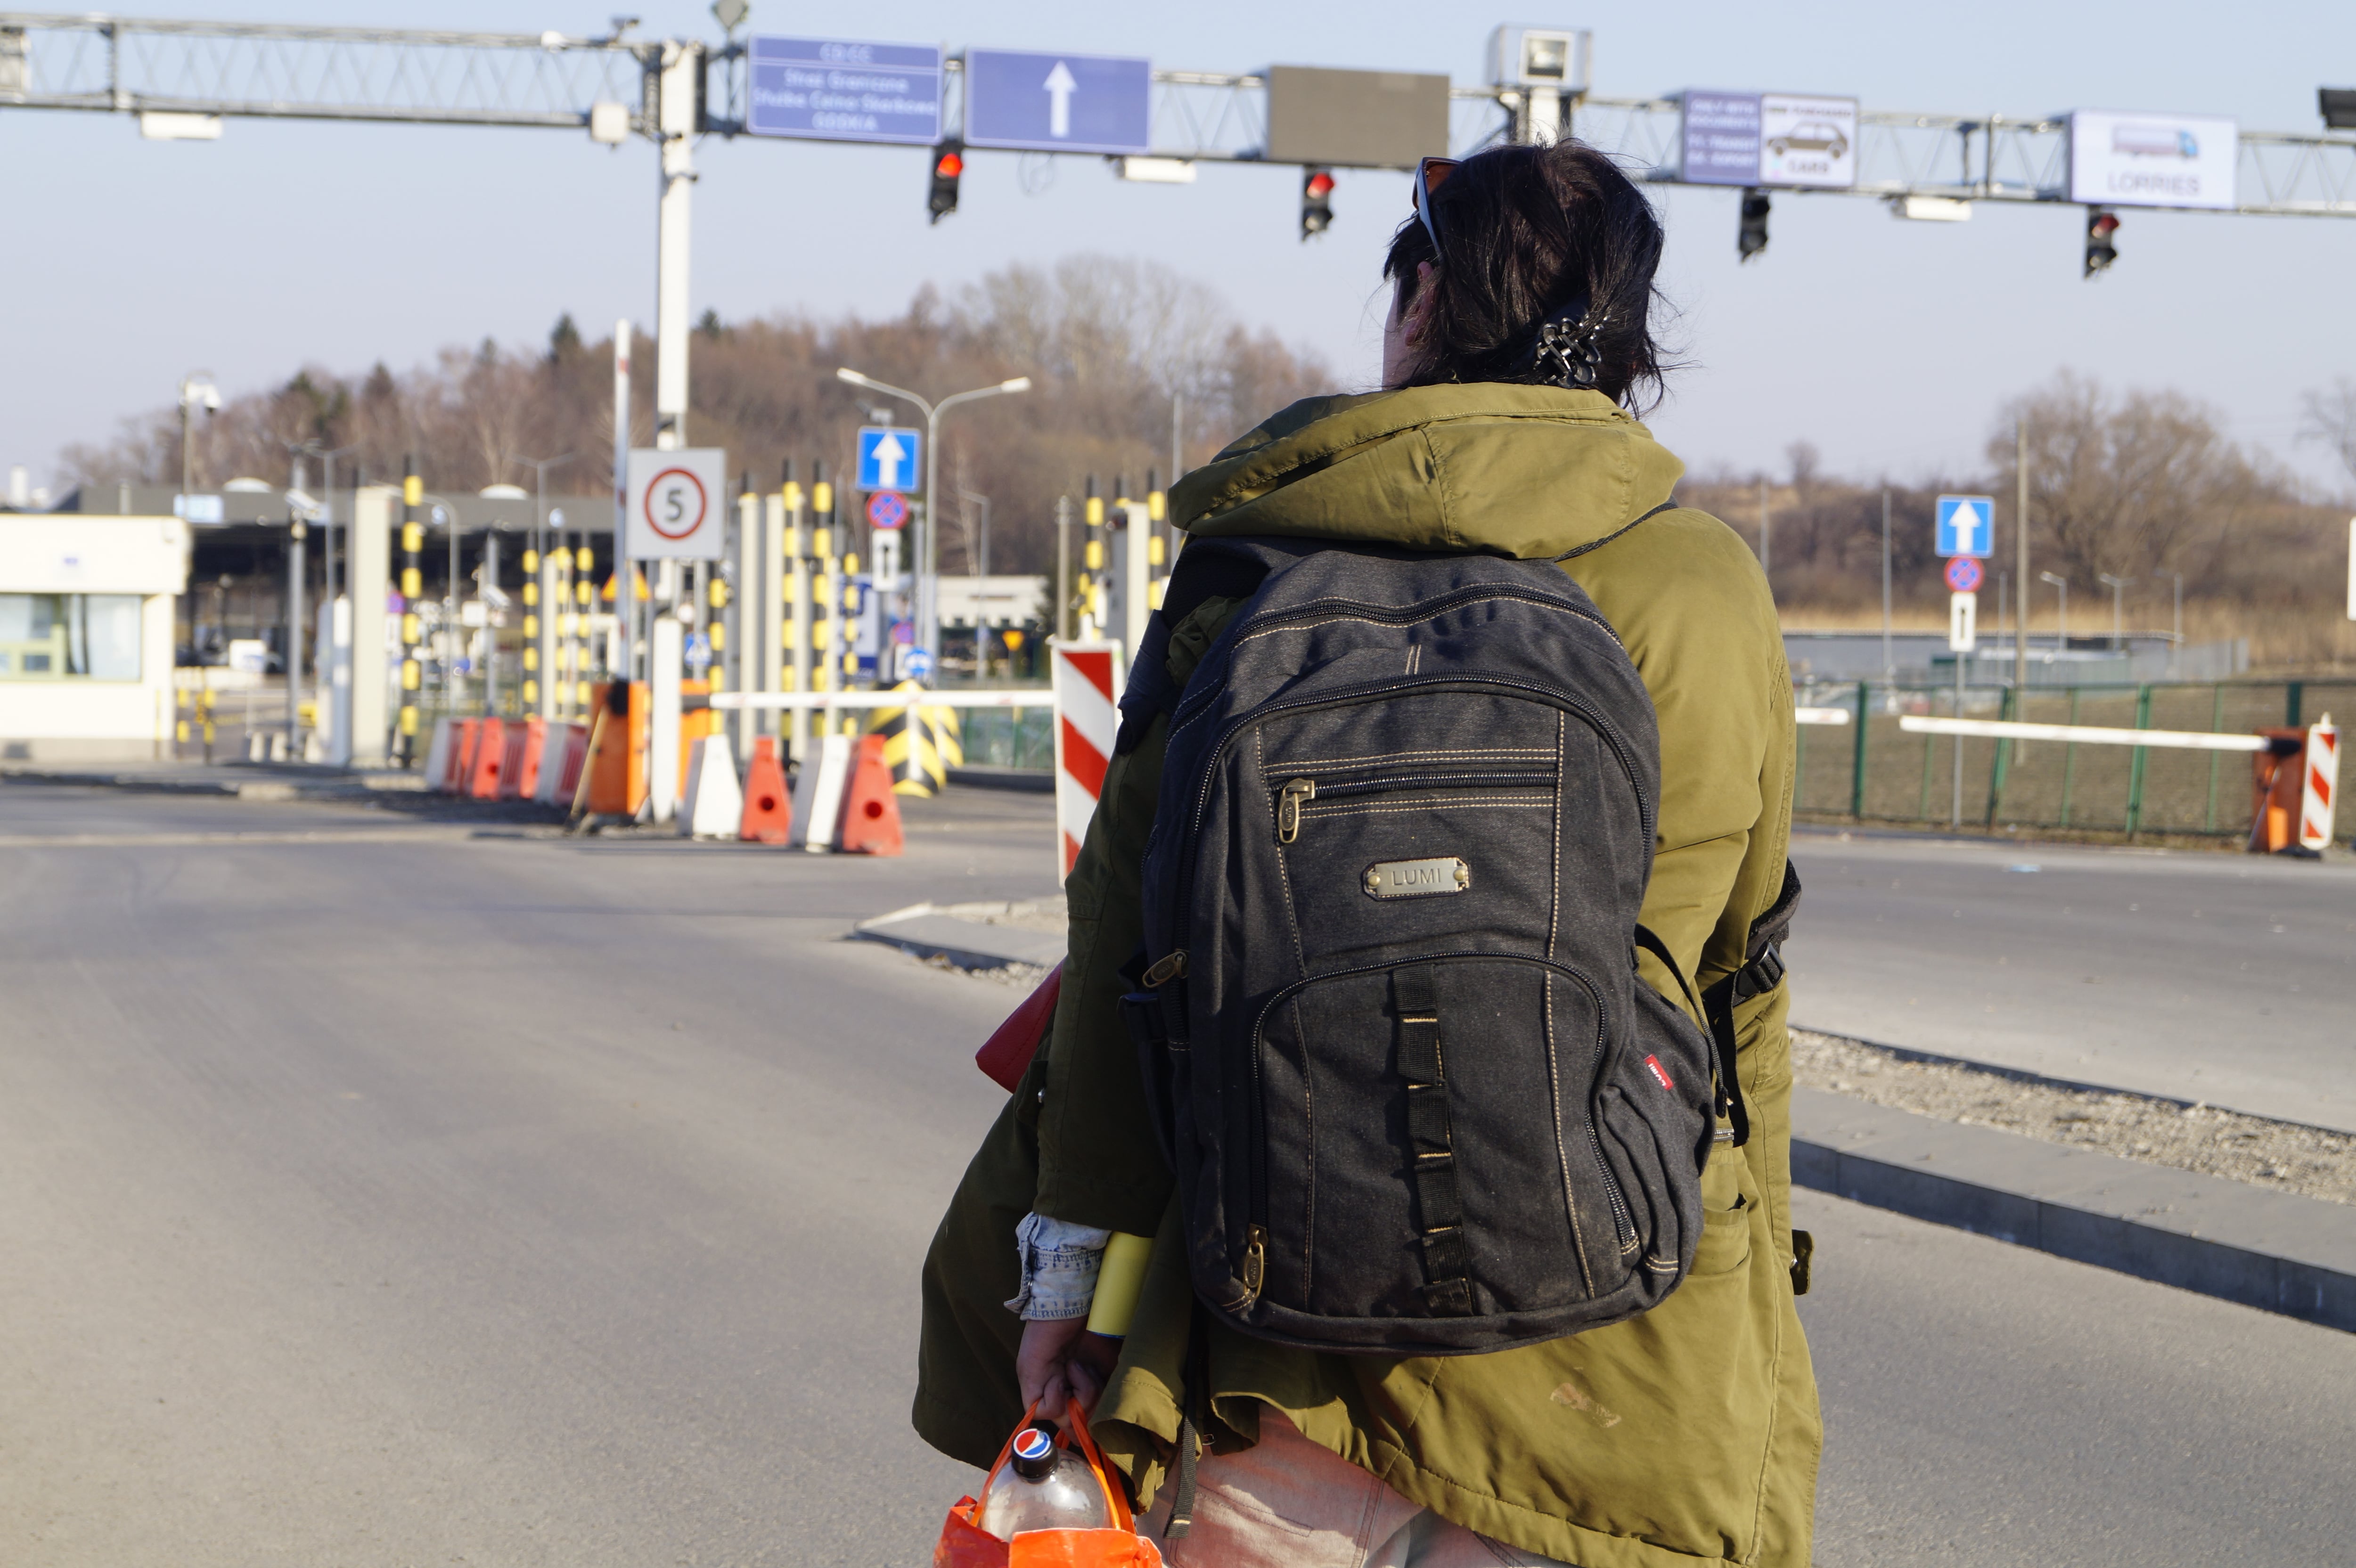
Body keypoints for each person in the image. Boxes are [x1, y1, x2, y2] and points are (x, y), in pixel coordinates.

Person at [916, 138, 1818, 1568]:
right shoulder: (1704, 584)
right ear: (1630, 341)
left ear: (1418, 302)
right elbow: (1739, 980)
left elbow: (1120, 982)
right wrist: (1748, 1289)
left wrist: (1071, 1283)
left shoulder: (1252, 571)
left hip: (1270, 1358)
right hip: (1617, 1362)